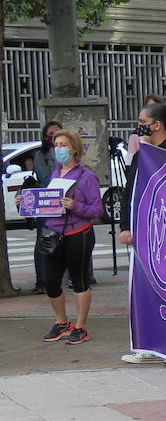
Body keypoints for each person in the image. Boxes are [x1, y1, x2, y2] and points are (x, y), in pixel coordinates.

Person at [118, 101, 166, 365]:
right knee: (144, 289)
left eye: (142, 121)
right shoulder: (142, 154)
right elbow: (129, 192)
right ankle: (149, 342)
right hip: (143, 232)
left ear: (155, 125)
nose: (139, 126)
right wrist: (126, 226)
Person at [38, 130, 102, 346]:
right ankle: (61, 322)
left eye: (64, 144)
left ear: (74, 148)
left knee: (79, 281)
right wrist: (27, 202)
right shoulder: (54, 175)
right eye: (56, 144)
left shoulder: (86, 177)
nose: (59, 149)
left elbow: (97, 209)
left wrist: (76, 206)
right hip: (53, 233)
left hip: (78, 234)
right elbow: (45, 202)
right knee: (49, 280)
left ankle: (81, 326)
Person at [30, 120, 62, 294]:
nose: (54, 137)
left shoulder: (67, 152)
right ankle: (41, 280)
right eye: (51, 134)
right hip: (46, 201)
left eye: (58, 133)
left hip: (65, 201)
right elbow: (46, 179)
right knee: (44, 239)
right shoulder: (40, 155)